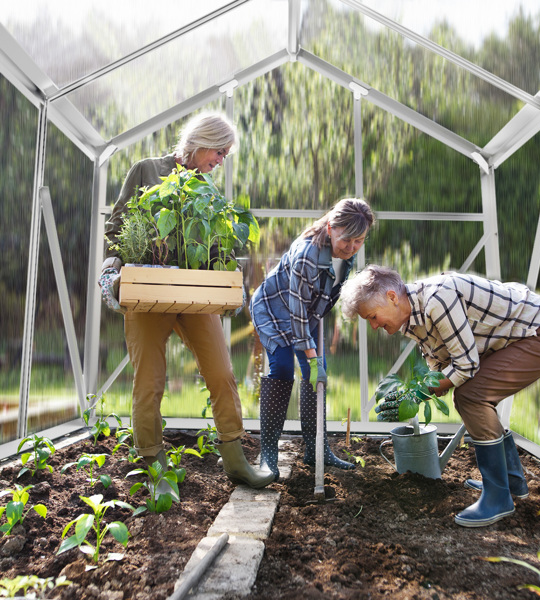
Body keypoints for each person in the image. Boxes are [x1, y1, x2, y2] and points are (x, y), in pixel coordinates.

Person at [98, 112, 274, 490]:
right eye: (220, 151)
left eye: (226, 155)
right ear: (201, 140)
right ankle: (153, 467)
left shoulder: (206, 191)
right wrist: (113, 268)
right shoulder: (146, 171)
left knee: (222, 373)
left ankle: (235, 458)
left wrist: (227, 280)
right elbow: (117, 228)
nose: (221, 160)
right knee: (150, 380)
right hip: (148, 292)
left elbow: (213, 249)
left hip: (193, 296)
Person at [339, 265, 540, 527]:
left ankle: (498, 497)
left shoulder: (437, 299)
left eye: (372, 317)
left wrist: (420, 394)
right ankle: (512, 481)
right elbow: (440, 367)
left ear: (392, 297)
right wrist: (413, 395)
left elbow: (466, 366)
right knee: (475, 394)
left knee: (471, 396)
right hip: (513, 338)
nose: (373, 326)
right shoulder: (411, 320)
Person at [250, 198, 375, 480]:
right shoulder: (307, 253)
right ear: (330, 227)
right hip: (273, 308)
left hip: (307, 313)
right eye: (347, 240)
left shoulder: (346, 253)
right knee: (282, 368)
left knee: (317, 375)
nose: (352, 247)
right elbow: (295, 314)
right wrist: (310, 355)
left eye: (359, 241)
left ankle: (317, 449)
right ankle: (268, 453)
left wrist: (314, 360)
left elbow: (323, 297)